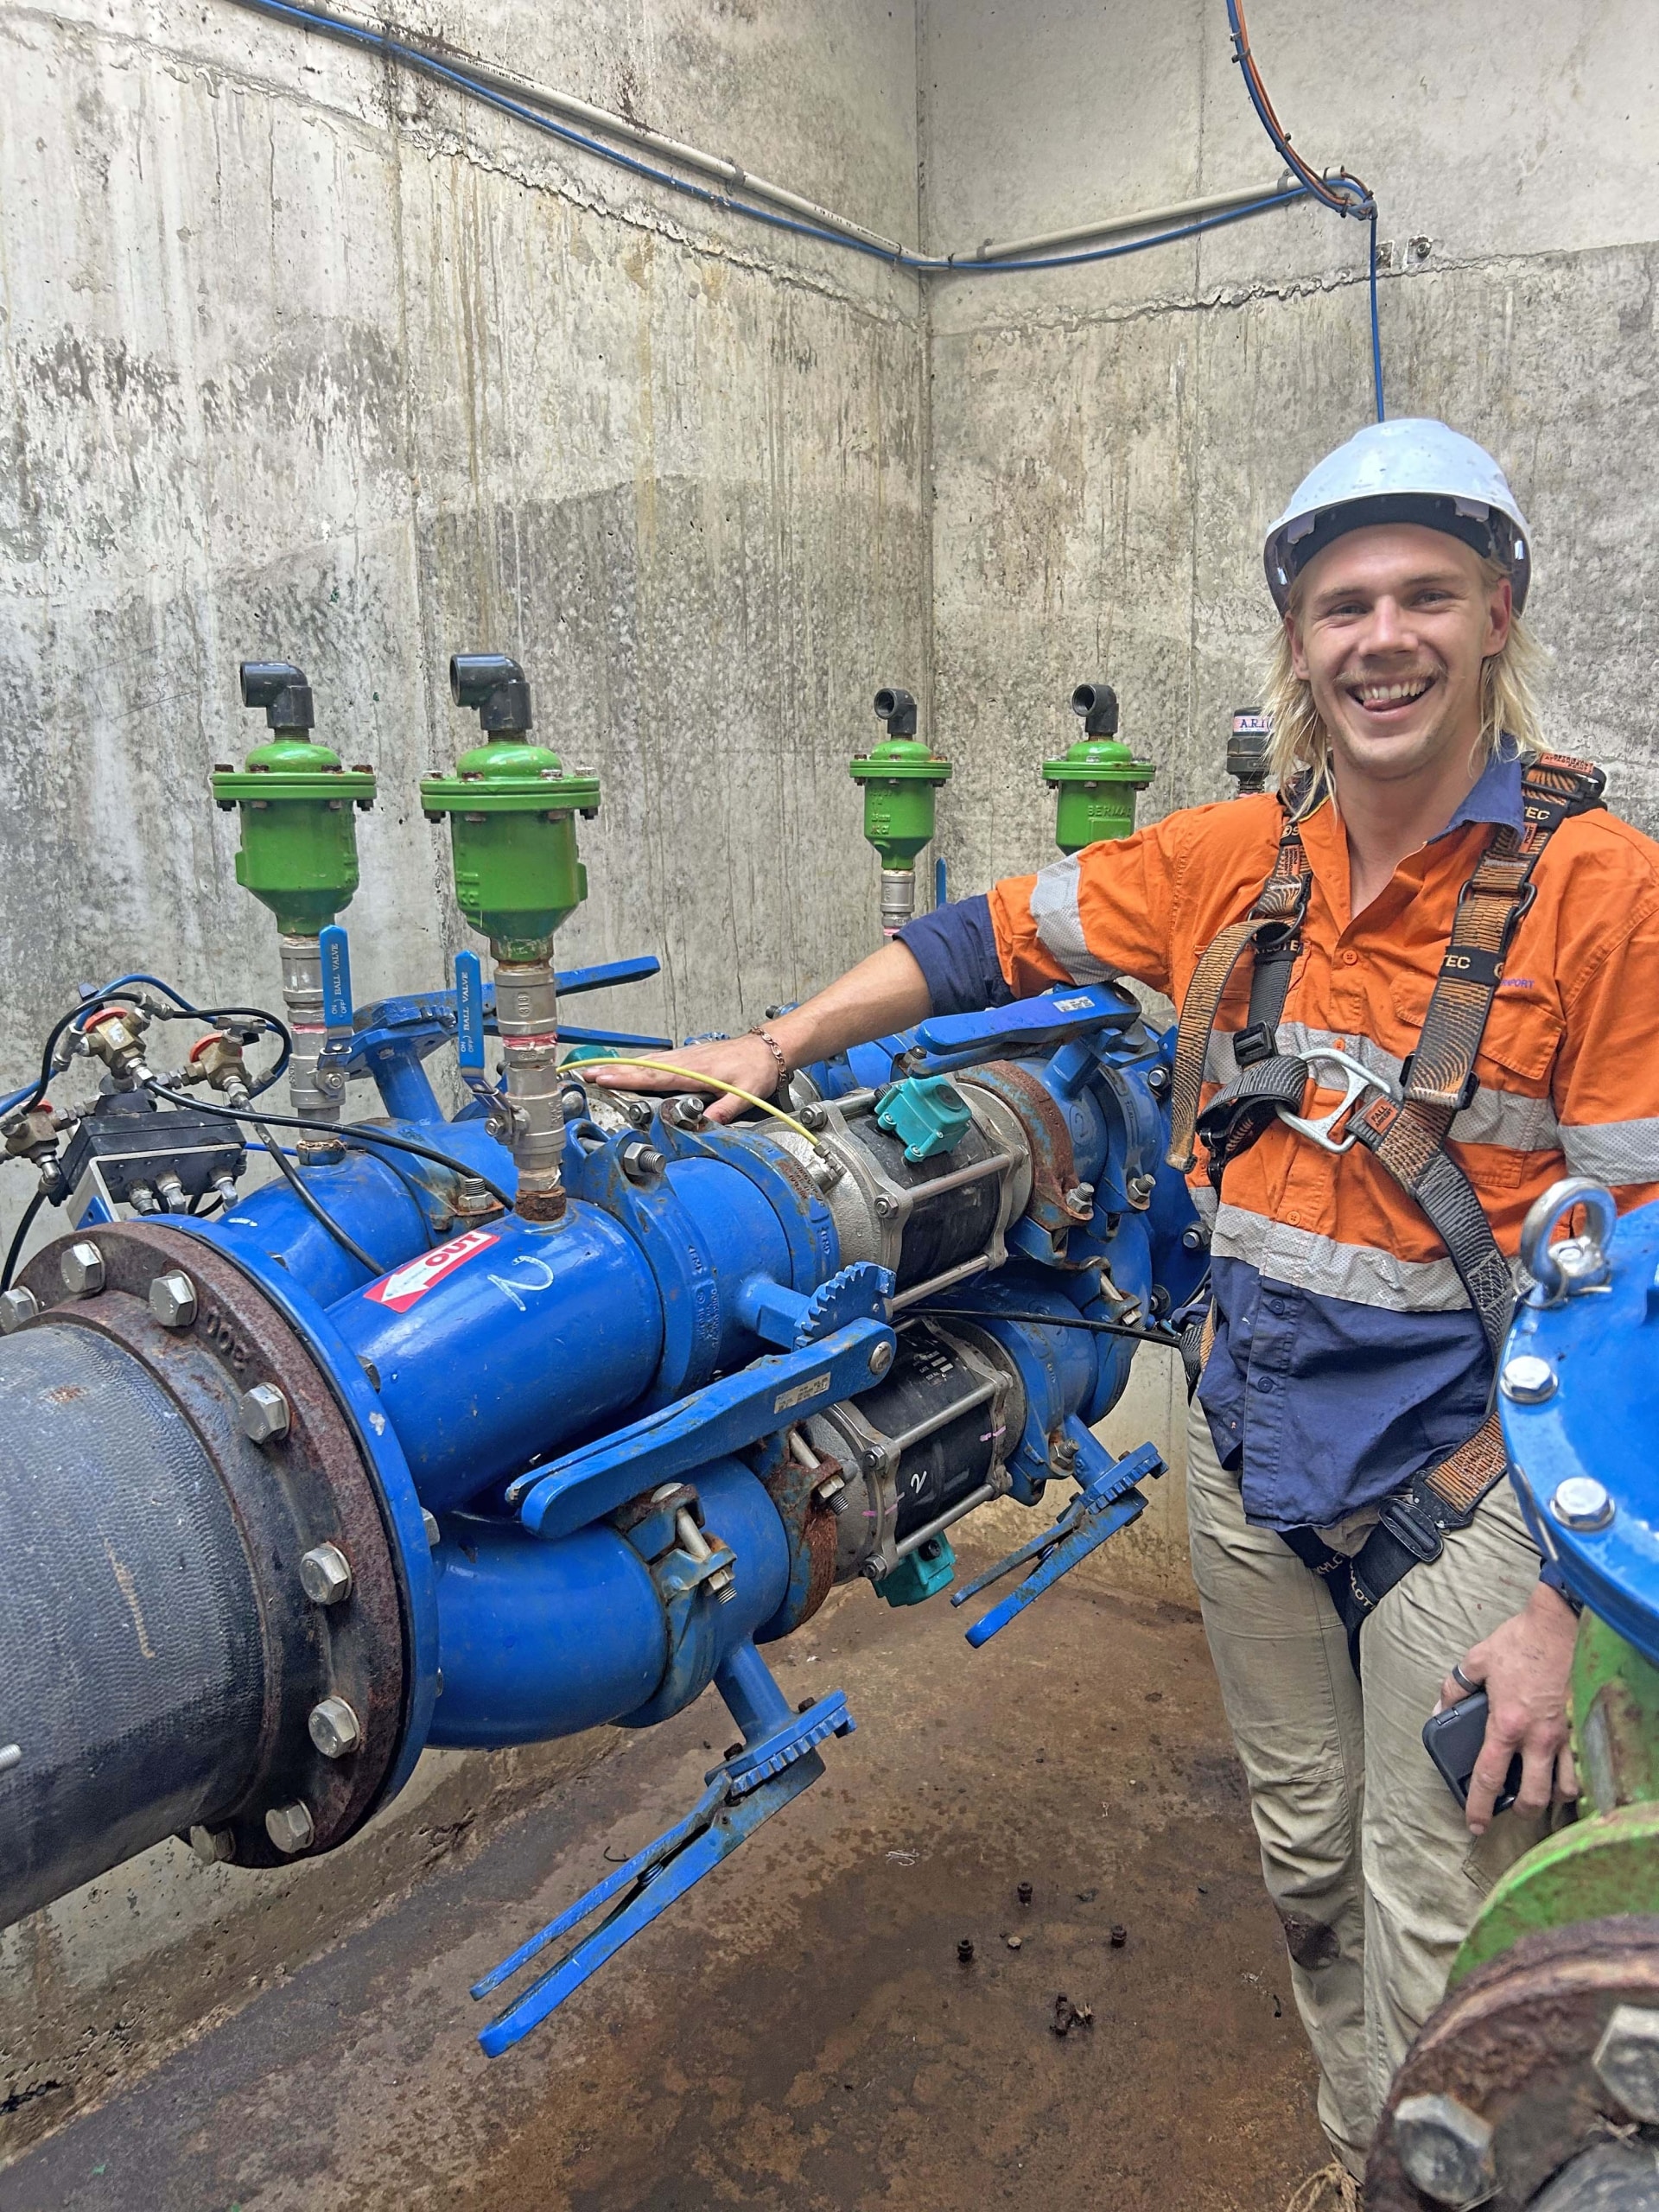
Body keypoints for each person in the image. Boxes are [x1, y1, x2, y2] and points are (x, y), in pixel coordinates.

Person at [589, 420, 1659, 2204]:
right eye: (1341, 605)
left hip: (1472, 1502)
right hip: (1250, 1469)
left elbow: (1647, 1263)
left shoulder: (1603, 892)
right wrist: (774, 1045)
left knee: (1436, 1916)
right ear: (1298, 646)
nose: (1379, 637)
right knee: (1311, 1869)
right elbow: (975, 942)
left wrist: (1568, 1596)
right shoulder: (1236, 860)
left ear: (1496, 618)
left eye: (1421, 596)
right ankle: (1358, 2159)